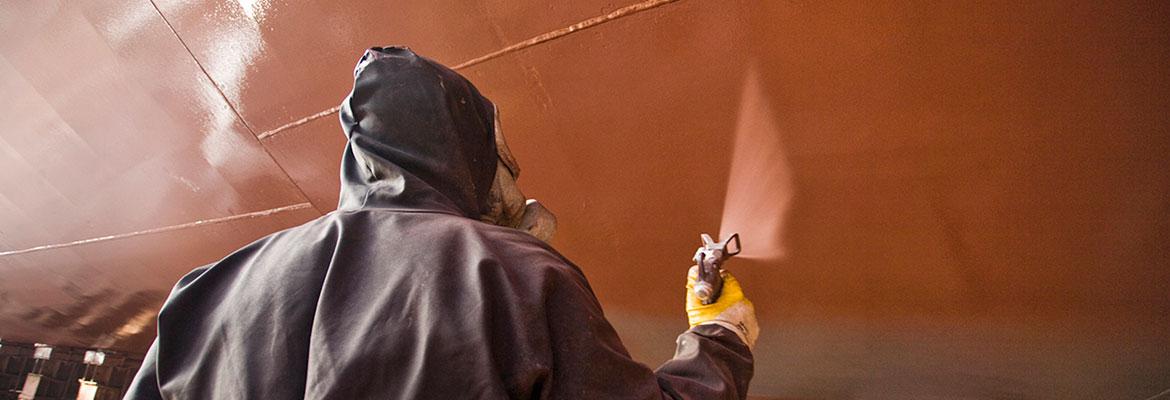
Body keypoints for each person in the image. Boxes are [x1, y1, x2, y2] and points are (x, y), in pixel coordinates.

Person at [125, 46, 758, 399]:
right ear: (463, 152)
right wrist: (720, 339)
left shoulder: (207, 289)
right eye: (499, 158)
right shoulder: (519, 276)